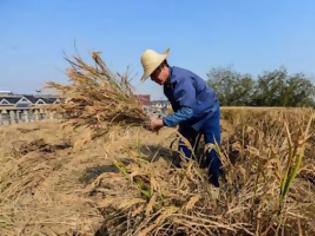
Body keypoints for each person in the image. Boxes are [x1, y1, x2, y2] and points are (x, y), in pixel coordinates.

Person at [140, 48, 223, 187]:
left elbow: (187, 111)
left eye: (153, 74)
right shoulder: (167, 86)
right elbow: (181, 109)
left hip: (208, 113)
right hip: (190, 117)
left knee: (212, 151)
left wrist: (162, 122)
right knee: (184, 150)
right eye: (150, 76)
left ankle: (216, 185)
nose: (152, 79)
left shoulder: (181, 79)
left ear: (162, 66)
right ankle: (185, 183)